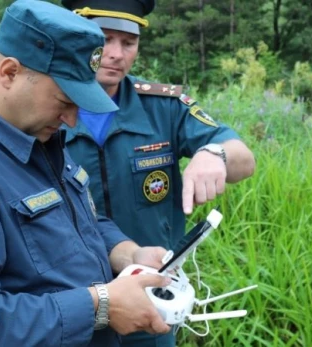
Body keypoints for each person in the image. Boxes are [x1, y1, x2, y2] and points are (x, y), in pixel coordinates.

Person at [0, 1, 173, 346]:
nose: (72, 120)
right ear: (9, 72)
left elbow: (78, 224)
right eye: (64, 101)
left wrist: (128, 254)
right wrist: (100, 305)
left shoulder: (35, 135)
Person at [60, 1, 256, 345]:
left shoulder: (163, 106)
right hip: (75, 306)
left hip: (153, 302)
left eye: (128, 43)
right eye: (105, 39)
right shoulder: (48, 110)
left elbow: (244, 160)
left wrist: (215, 153)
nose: (116, 54)